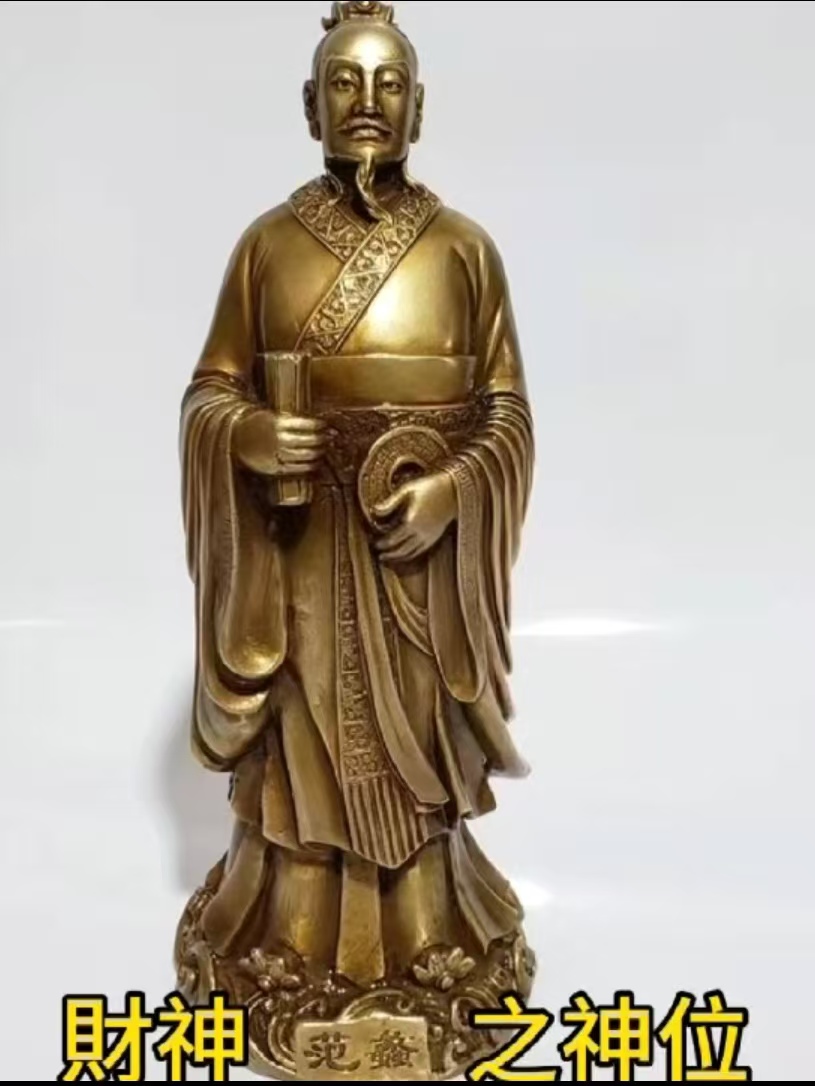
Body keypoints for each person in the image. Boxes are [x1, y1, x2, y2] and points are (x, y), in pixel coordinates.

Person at [177, 2, 536, 1076]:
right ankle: (281, 926)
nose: (366, 103)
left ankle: (430, 926)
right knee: (302, 748)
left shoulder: (464, 252)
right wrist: (244, 436)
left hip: (415, 569)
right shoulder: (266, 247)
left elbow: (508, 414)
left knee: (417, 749)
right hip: (297, 552)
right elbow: (209, 393)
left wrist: (455, 493)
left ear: (418, 107)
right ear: (308, 105)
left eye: (389, 84)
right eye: (343, 81)